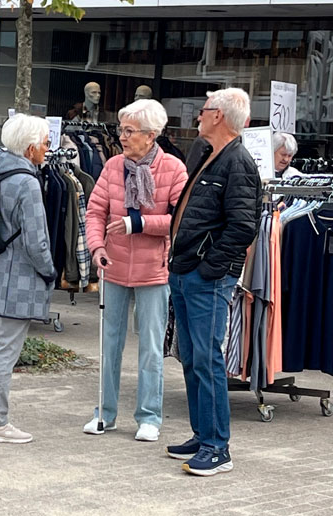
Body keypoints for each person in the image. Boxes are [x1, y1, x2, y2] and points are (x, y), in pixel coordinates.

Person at [166, 88, 261, 476]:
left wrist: (211, 268)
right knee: (191, 357)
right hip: (186, 270)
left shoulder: (238, 162)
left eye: (203, 110)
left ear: (219, 115)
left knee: (207, 358)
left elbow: (243, 227)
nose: (198, 116)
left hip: (206, 276)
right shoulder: (206, 154)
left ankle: (217, 447)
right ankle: (202, 432)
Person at [83, 99, 188, 441]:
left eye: (129, 131)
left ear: (151, 135)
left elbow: (181, 221)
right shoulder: (113, 166)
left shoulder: (173, 168)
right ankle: (105, 413)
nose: (122, 137)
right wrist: (96, 247)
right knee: (108, 344)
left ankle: (149, 417)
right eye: (121, 130)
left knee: (151, 348)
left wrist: (138, 223)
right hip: (113, 266)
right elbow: (95, 211)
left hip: (153, 270)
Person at [0, 114, 57, 444]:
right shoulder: (28, 182)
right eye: (46, 143)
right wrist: (49, 270)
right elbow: (36, 240)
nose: (48, 149)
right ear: (31, 147)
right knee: (5, 352)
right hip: (18, 278)